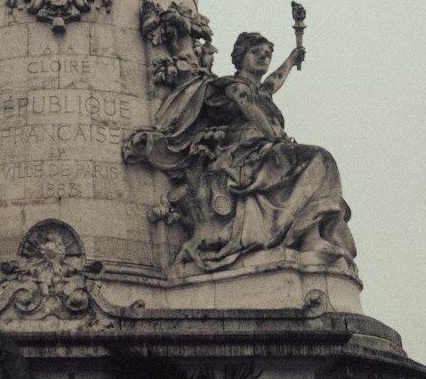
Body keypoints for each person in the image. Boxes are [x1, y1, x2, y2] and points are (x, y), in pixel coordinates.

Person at [125, 32, 356, 272]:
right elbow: (246, 103)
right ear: (241, 57)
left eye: (267, 54)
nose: (263, 58)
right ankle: (308, 237)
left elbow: (274, 81)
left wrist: (291, 59)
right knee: (319, 159)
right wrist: (274, 137)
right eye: (256, 53)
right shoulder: (230, 86)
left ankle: (311, 235)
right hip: (242, 155)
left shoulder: (262, 92)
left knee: (320, 163)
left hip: (266, 149)